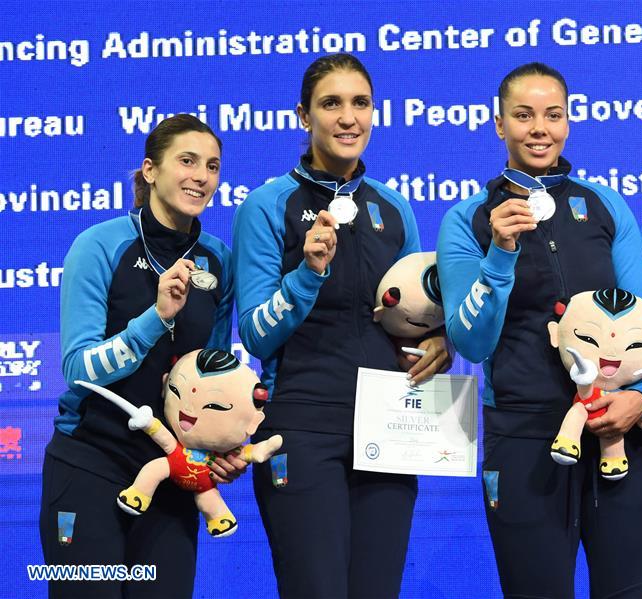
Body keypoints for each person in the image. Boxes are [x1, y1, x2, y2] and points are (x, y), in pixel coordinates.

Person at [437, 63, 642, 599]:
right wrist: (500, 254)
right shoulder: (467, 219)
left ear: (568, 122)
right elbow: (471, 341)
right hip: (523, 438)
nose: (539, 128)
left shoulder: (605, 206)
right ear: (499, 125)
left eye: (553, 115)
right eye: (523, 115)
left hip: (619, 432)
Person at [232, 53, 450, 598]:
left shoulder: (394, 208)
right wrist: (307, 274)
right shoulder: (267, 206)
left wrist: (438, 341)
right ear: (304, 116)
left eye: (361, 103)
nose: (348, 117)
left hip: (391, 426)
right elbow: (257, 335)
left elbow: (412, 315)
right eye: (331, 104)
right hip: (300, 427)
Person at [39, 114, 235, 598]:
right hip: (90, 463)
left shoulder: (218, 260)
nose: (201, 176)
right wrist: (156, 317)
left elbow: (211, 377)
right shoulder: (99, 245)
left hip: (170, 474)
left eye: (211, 166)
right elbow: (78, 370)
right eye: (186, 161)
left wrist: (219, 448)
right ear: (149, 170)